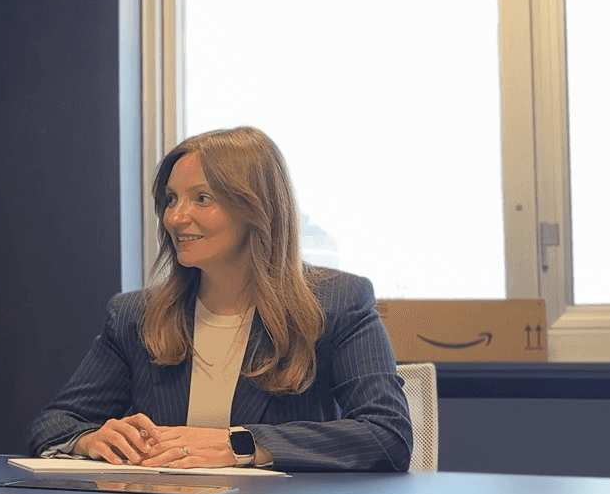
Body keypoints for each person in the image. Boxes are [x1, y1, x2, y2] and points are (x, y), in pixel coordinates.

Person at [27, 126, 411, 472]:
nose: (176, 217)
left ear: (257, 209)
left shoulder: (338, 303)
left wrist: (239, 444)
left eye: (202, 198)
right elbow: (55, 424)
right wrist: (91, 439)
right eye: (171, 199)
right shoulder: (135, 315)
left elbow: (386, 434)